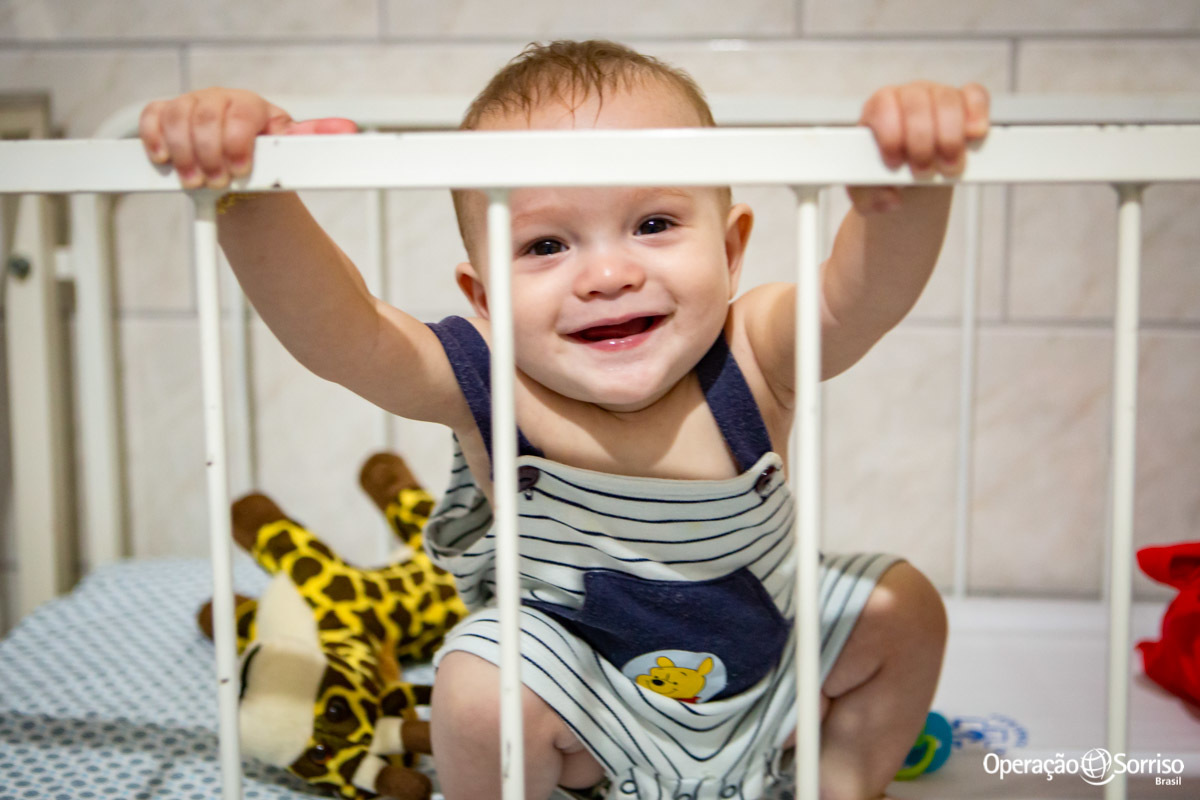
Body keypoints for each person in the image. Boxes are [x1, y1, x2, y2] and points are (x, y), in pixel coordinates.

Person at [140, 40, 988, 800]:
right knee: (477, 686)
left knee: (899, 605)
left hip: (769, 689)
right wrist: (251, 195)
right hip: (586, 719)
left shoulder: (755, 353)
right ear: (481, 298)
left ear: (730, 251)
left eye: (654, 224)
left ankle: (838, 784)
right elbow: (341, 333)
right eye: (547, 245)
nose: (609, 273)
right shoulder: (486, 382)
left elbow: (862, 297)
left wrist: (911, 180)